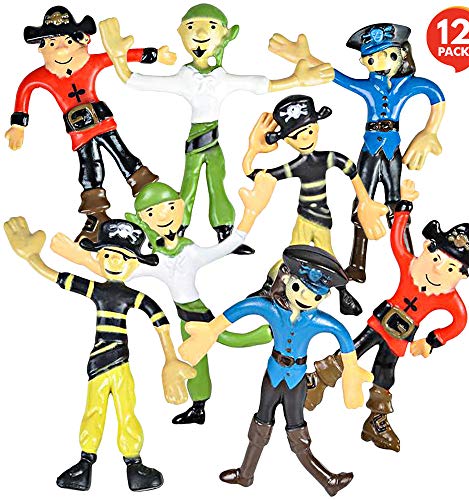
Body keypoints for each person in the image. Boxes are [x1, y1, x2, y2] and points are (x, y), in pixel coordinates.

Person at [98, 4, 335, 254]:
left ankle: (225, 234)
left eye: (211, 27)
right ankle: (176, 233)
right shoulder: (185, 77)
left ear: (224, 35)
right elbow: (135, 80)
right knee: (189, 186)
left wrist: (297, 80)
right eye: (191, 27)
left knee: (217, 183)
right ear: (180, 33)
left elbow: (258, 84)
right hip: (197, 141)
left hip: (212, 141)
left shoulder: (221, 78)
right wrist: (118, 57)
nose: (200, 34)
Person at [51, 172, 276, 425]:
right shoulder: (156, 259)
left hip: (197, 312)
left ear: (180, 206)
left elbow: (226, 246)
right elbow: (118, 271)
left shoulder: (191, 252)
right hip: (183, 316)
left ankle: (266, 333)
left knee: (223, 339)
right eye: (151, 213)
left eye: (169, 207)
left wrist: (251, 214)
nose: (162, 216)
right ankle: (199, 406)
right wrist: (81, 258)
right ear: (142, 220)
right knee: (196, 357)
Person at [4, 217, 196, 491]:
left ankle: (133, 463)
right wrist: (31, 257)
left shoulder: (133, 297)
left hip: (119, 364)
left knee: (125, 411)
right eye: (108, 254)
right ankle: (86, 464)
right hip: (99, 364)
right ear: (99, 256)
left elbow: (160, 320)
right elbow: (58, 278)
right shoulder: (98, 290)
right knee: (95, 411)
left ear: (135, 263)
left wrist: (170, 358)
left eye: (124, 257)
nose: (115, 261)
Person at [304, 183, 469, 452]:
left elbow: (459, 321)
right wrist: (403, 209)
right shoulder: (410, 266)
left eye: (450, 268)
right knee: (352, 350)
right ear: (427, 249)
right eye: (436, 259)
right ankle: (317, 382)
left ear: (461, 276)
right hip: (380, 322)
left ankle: (376, 420)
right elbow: (397, 241)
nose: (438, 270)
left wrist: (431, 341)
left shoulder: (448, 298)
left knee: (385, 372)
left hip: (401, 338)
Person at [179, 245, 373, 496]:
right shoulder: (272, 309)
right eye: (299, 288)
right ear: (288, 280)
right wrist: (211, 330)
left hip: (296, 381)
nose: (305, 298)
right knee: (261, 422)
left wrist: (351, 371)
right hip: (272, 376)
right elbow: (244, 307)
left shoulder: (317, 321)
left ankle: (328, 481)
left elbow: (343, 337)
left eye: (315, 296)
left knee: (297, 431)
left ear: (323, 297)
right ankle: (245, 474)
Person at [269, 24, 446, 282]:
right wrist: (305, 58)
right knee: (362, 202)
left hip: (392, 150)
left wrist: (429, 132)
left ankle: (409, 262)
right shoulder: (368, 88)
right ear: (364, 62)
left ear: (402, 54)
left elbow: (435, 94)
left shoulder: (407, 86)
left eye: (389, 55)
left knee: (397, 203)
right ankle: (357, 262)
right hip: (369, 151)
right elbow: (334, 75)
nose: (380, 64)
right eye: (372, 59)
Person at [6, 6, 172, 241]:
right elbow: (25, 88)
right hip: (80, 132)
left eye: (67, 41)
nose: (61, 49)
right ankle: (96, 217)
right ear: (42, 48)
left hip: (102, 122)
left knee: (123, 155)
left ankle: (149, 192)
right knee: (90, 168)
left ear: (82, 41)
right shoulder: (43, 76)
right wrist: (18, 125)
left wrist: (154, 55)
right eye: (52, 43)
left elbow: (118, 56)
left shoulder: (91, 63)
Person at [243, 94, 388, 315]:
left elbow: (351, 169)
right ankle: (270, 288)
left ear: (317, 128)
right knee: (293, 256)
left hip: (322, 219)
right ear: (288, 141)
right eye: (296, 136)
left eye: (310, 131)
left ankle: (342, 294)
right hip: (305, 217)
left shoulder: (326, 158)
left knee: (326, 257)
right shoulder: (296, 165)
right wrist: (252, 150)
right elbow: (257, 175)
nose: (305, 138)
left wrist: (365, 201)